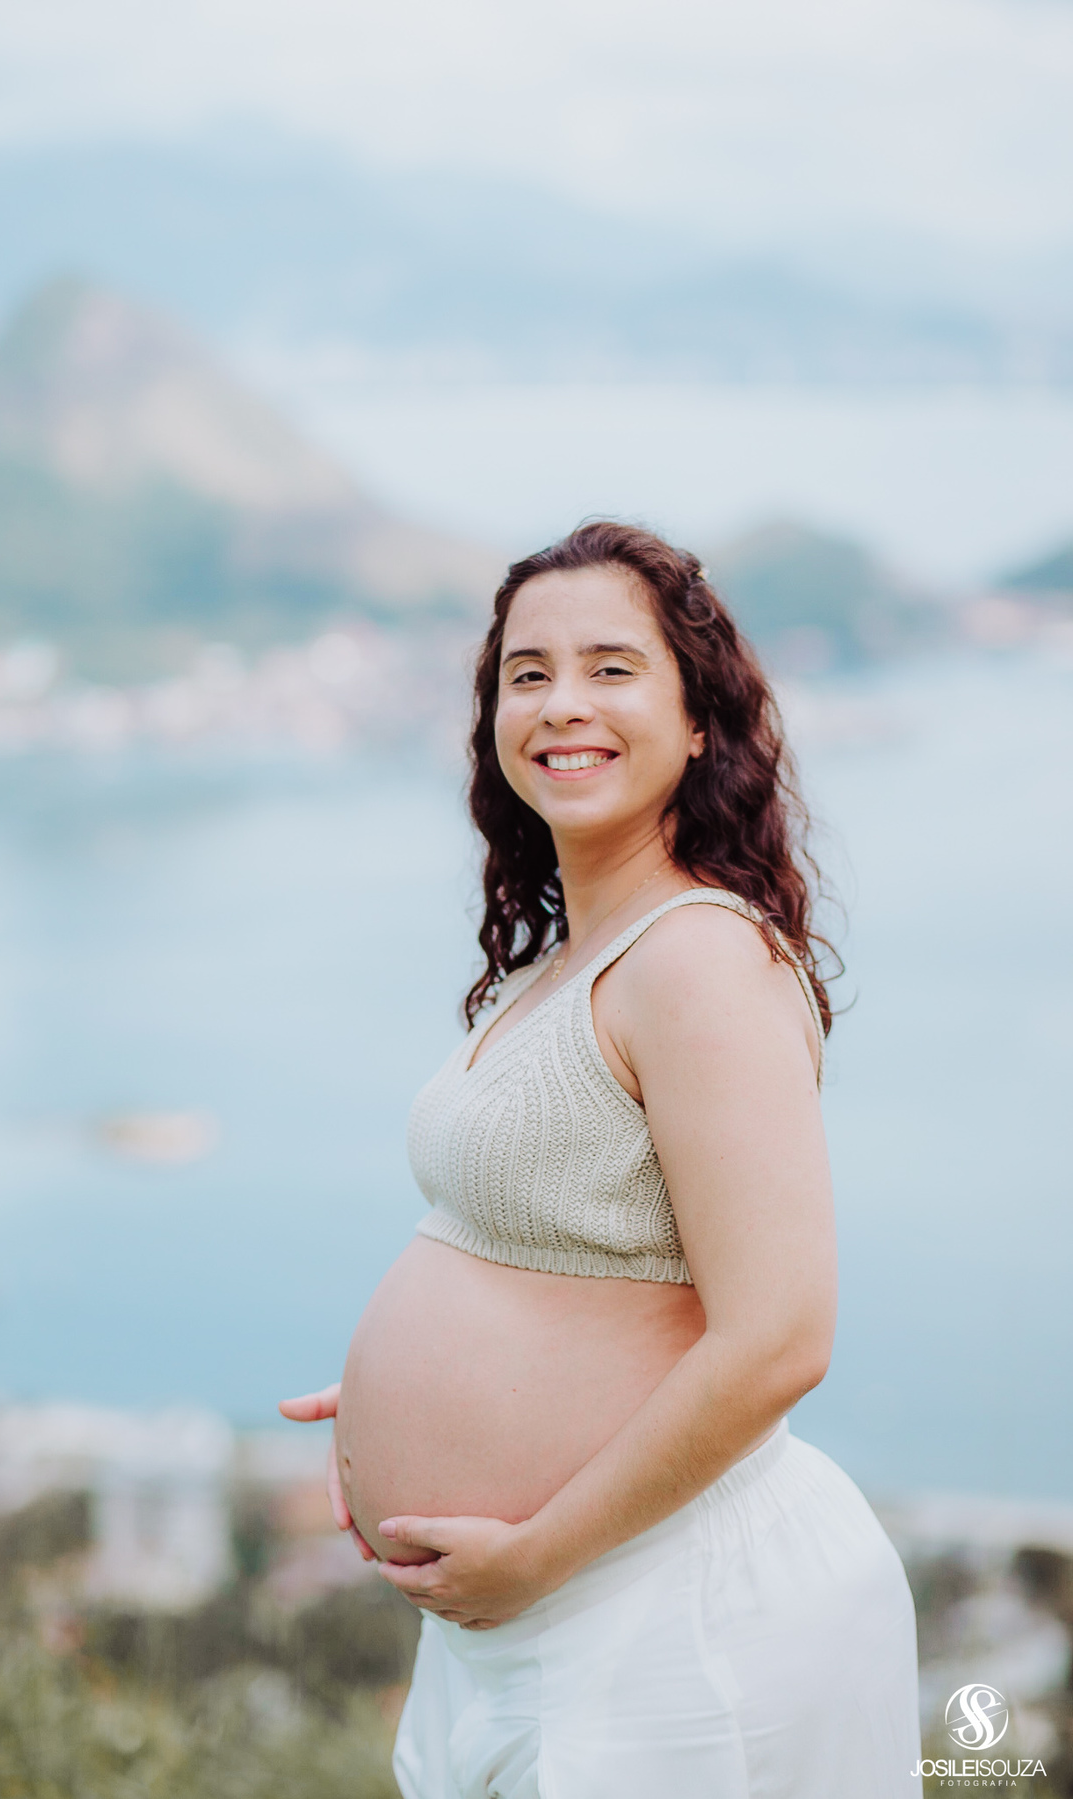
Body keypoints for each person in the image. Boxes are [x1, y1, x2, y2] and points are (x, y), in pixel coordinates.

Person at [282, 522, 921, 1798]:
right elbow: (582, 1258)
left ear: (699, 722)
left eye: (612, 668)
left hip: (667, 1611)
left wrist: (535, 1549)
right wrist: (414, 1401)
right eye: (528, 673)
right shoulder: (562, 964)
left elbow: (782, 1338)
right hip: (554, 1614)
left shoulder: (699, 960)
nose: (562, 702)